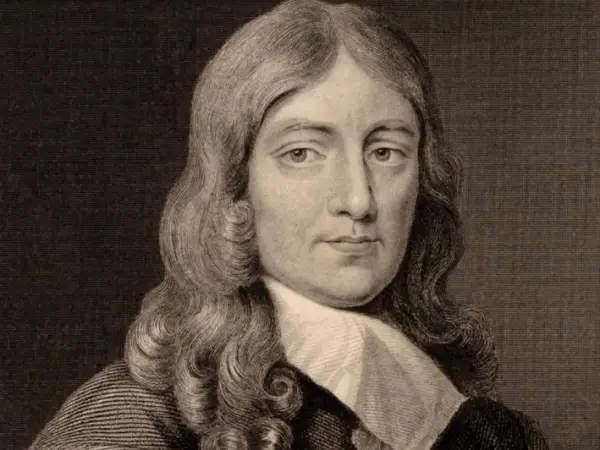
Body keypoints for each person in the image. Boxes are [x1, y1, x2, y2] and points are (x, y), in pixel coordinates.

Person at [30, 1, 549, 449]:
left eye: (386, 152)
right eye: (302, 153)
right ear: (235, 189)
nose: (358, 199)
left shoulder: (489, 433)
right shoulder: (131, 419)